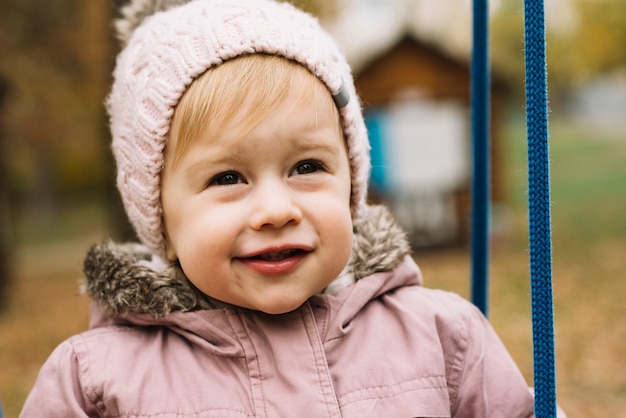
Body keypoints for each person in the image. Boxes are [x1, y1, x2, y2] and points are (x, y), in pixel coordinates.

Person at [21, 0, 565, 417]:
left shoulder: (444, 335)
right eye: (228, 177)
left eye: (306, 167)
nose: (276, 210)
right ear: (159, 216)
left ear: (351, 182)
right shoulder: (94, 379)